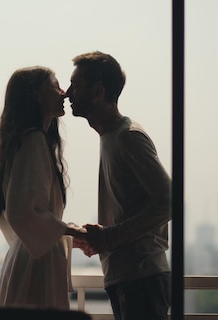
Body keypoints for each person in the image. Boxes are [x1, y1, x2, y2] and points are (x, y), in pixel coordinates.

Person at [66, 51, 172, 320]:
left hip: (141, 277)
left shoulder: (128, 137)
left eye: (76, 85)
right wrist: (101, 238)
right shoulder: (112, 136)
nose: (67, 93)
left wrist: (110, 237)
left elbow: (170, 200)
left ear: (98, 92)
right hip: (129, 276)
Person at [0, 65, 86, 310]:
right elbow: (21, 211)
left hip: (29, 258)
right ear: (36, 95)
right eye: (55, 86)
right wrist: (70, 231)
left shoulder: (25, 141)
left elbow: (15, 213)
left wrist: (62, 232)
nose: (63, 93)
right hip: (36, 266)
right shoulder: (33, 141)